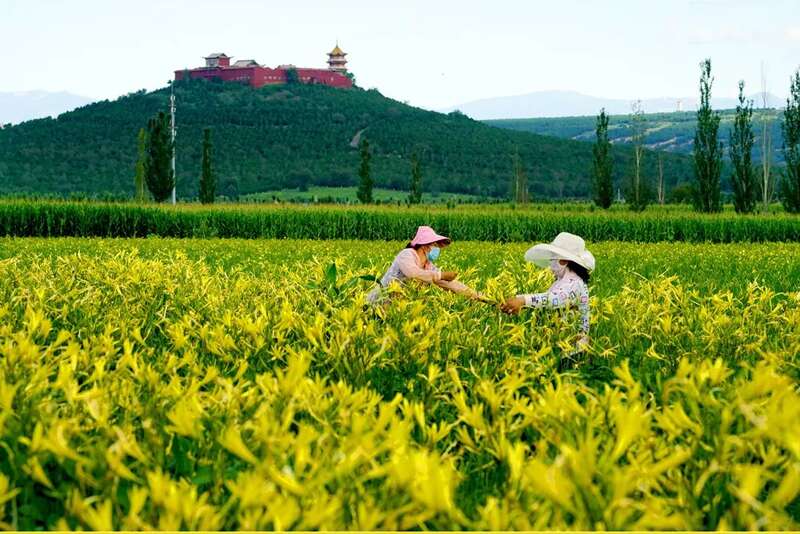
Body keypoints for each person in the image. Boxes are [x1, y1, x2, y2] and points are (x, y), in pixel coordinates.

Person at [500, 232, 594, 366]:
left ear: (565, 260)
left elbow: (553, 300)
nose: (551, 264)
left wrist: (523, 300)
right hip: (562, 344)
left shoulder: (574, 282)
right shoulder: (563, 280)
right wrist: (519, 302)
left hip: (574, 350)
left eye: (553, 259)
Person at [367, 225, 480, 304]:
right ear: (425, 245)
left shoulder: (428, 266)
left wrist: (482, 298)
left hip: (397, 308)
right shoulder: (407, 254)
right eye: (434, 245)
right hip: (378, 303)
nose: (437, 249)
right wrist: (441, 275)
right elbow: (413, 273)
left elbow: (452, 285)